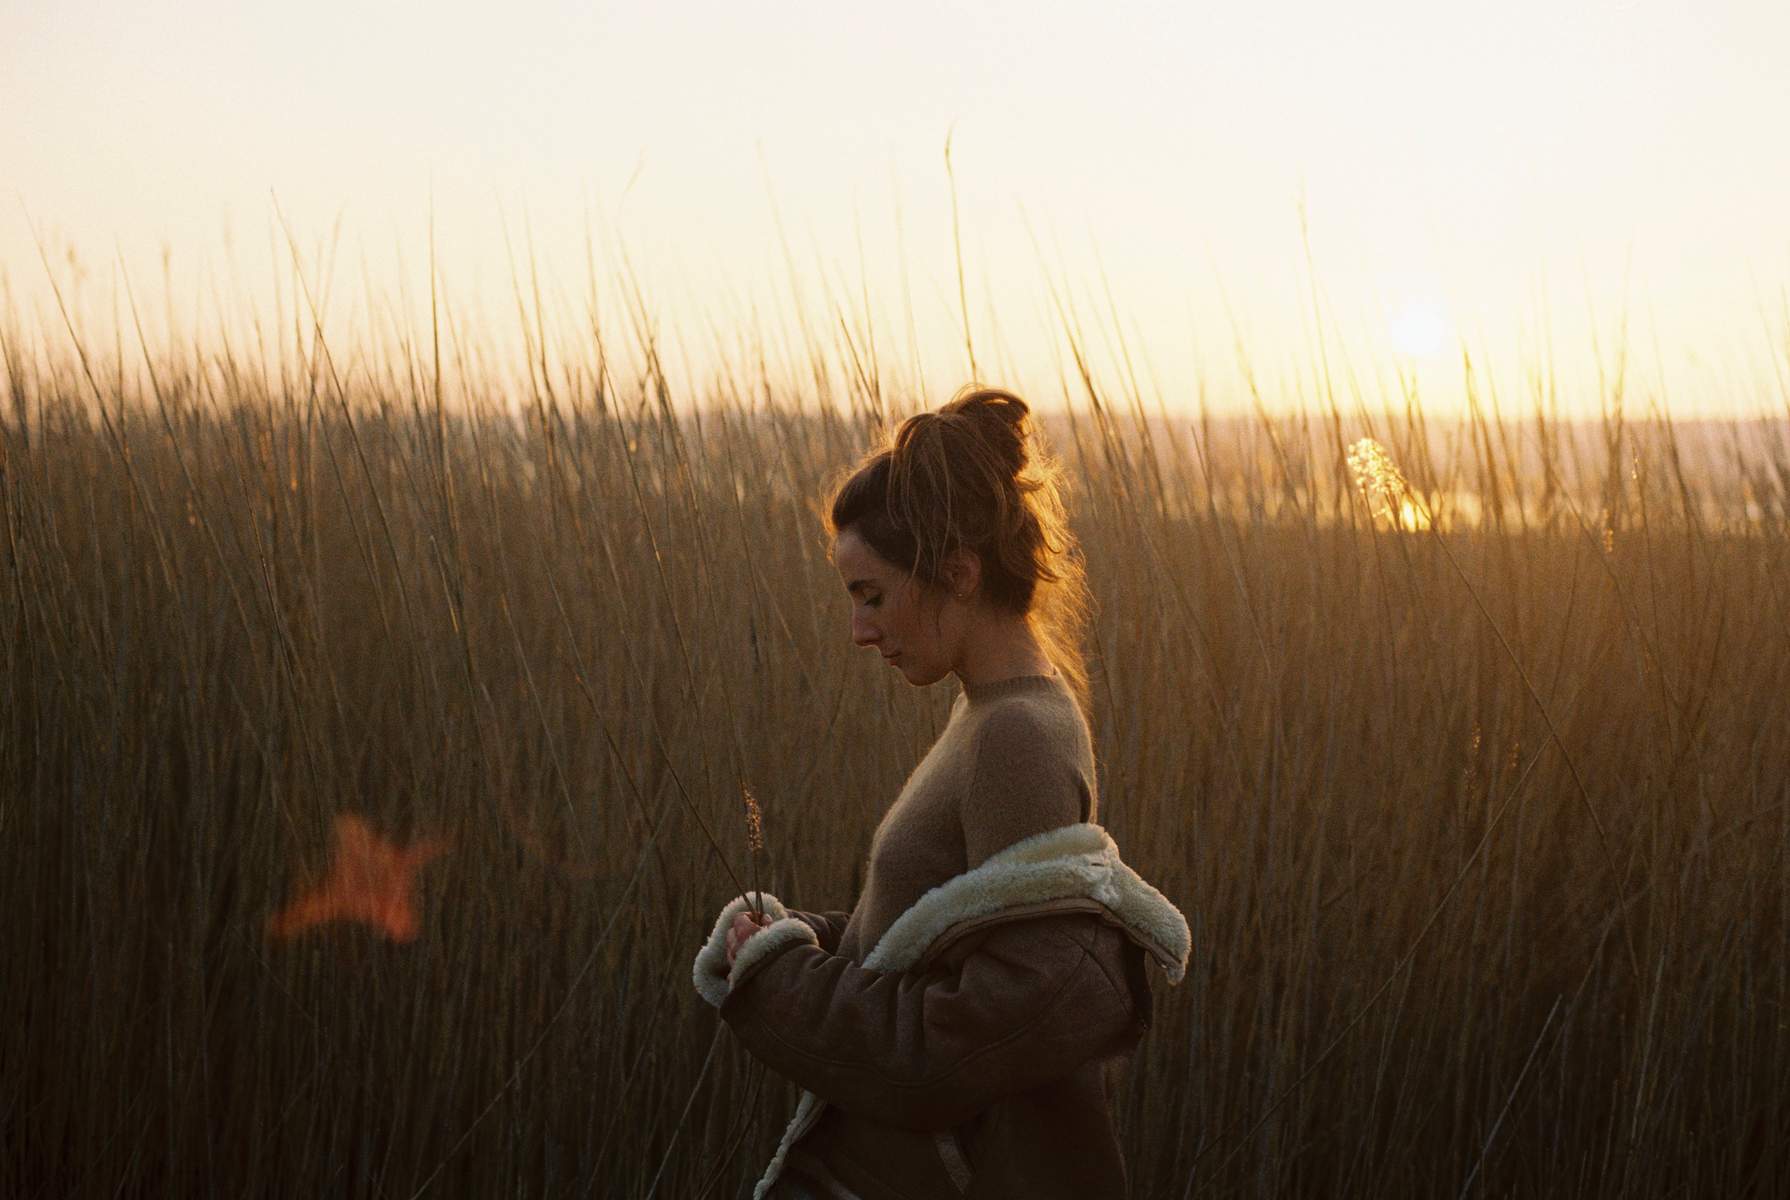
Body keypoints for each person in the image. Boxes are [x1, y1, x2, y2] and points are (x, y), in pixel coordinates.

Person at [692, 385, 1190, 1199]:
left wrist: (777, 980)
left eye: (873, 595)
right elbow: (934, 938)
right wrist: (794, 937)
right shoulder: (993, 712)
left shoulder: (1016, 738)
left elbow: (975, 1038)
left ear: (957, 573)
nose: (860, 631)